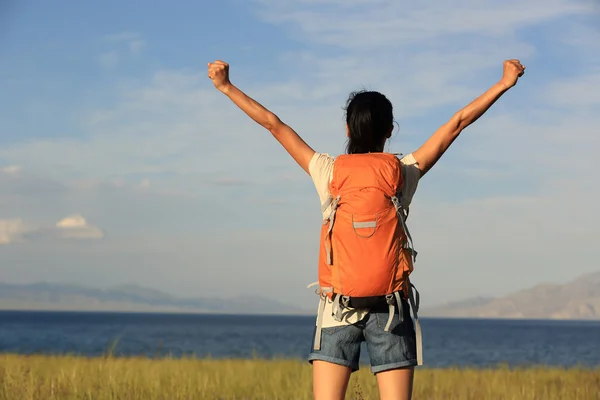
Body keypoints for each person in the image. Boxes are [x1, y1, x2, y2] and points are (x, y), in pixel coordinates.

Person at [207, 59, 526, 400]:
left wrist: (226, 86)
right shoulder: (402, 173)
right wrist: (503, 83)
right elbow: (456, 124)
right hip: (391, 309)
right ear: (390, 130)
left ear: (348, 129)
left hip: (337, 307)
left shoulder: (327, 172)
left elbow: (274, 125)